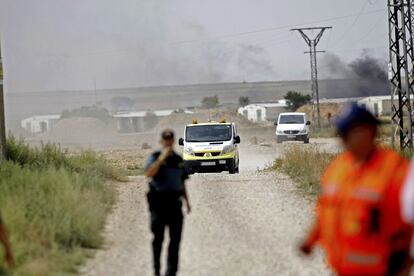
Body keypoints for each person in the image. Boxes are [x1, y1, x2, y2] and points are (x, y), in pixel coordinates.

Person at [300, 103, 412, 275]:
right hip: (343, 269)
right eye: (341, 134)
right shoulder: (337, 168)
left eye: (347, 133)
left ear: (370, 132)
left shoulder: (396, 170)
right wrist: (310, 241)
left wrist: (403, 267)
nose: (342, 140)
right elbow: (325, 209)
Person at [144, 129, 191, 276]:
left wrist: (187, 202)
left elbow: (182, 182)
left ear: (173, 141)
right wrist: (161, 159)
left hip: (175, 205)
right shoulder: (155, 157)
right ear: (161, 141)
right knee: (158, 240)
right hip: (159, 204)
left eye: (170, 140)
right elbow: (148, 174)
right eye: (166, 140)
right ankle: (157, 271)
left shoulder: (178, 160)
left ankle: (171, 272)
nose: (168, 142)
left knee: (175, 241)